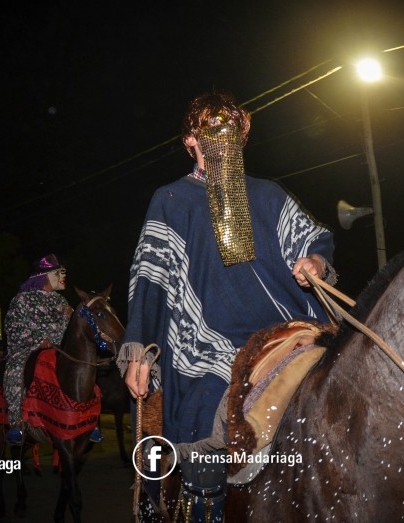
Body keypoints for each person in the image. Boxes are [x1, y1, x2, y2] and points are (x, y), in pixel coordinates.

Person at [118, 91, 337, 522]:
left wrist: (315, 260)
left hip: (280, 341)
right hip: (201, 351)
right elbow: (150, 277)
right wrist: (139, 350)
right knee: (201, 424)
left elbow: (314, 238)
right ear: (190, 141)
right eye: (210, 131)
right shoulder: (171, 200)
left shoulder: (269, 194)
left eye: (230, 133)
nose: (222, 141)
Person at [2, 254, 73, 445]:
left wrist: (68, 319)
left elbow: (69, 333)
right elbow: (12, 328)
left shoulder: (61, 302)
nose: (63, 276)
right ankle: (16, 422)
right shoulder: (22, 300)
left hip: (58, 350)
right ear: (46, 276)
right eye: (59, 272)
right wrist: (38, 342)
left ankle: (86, 418)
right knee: (16, 371)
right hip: (28, 350)